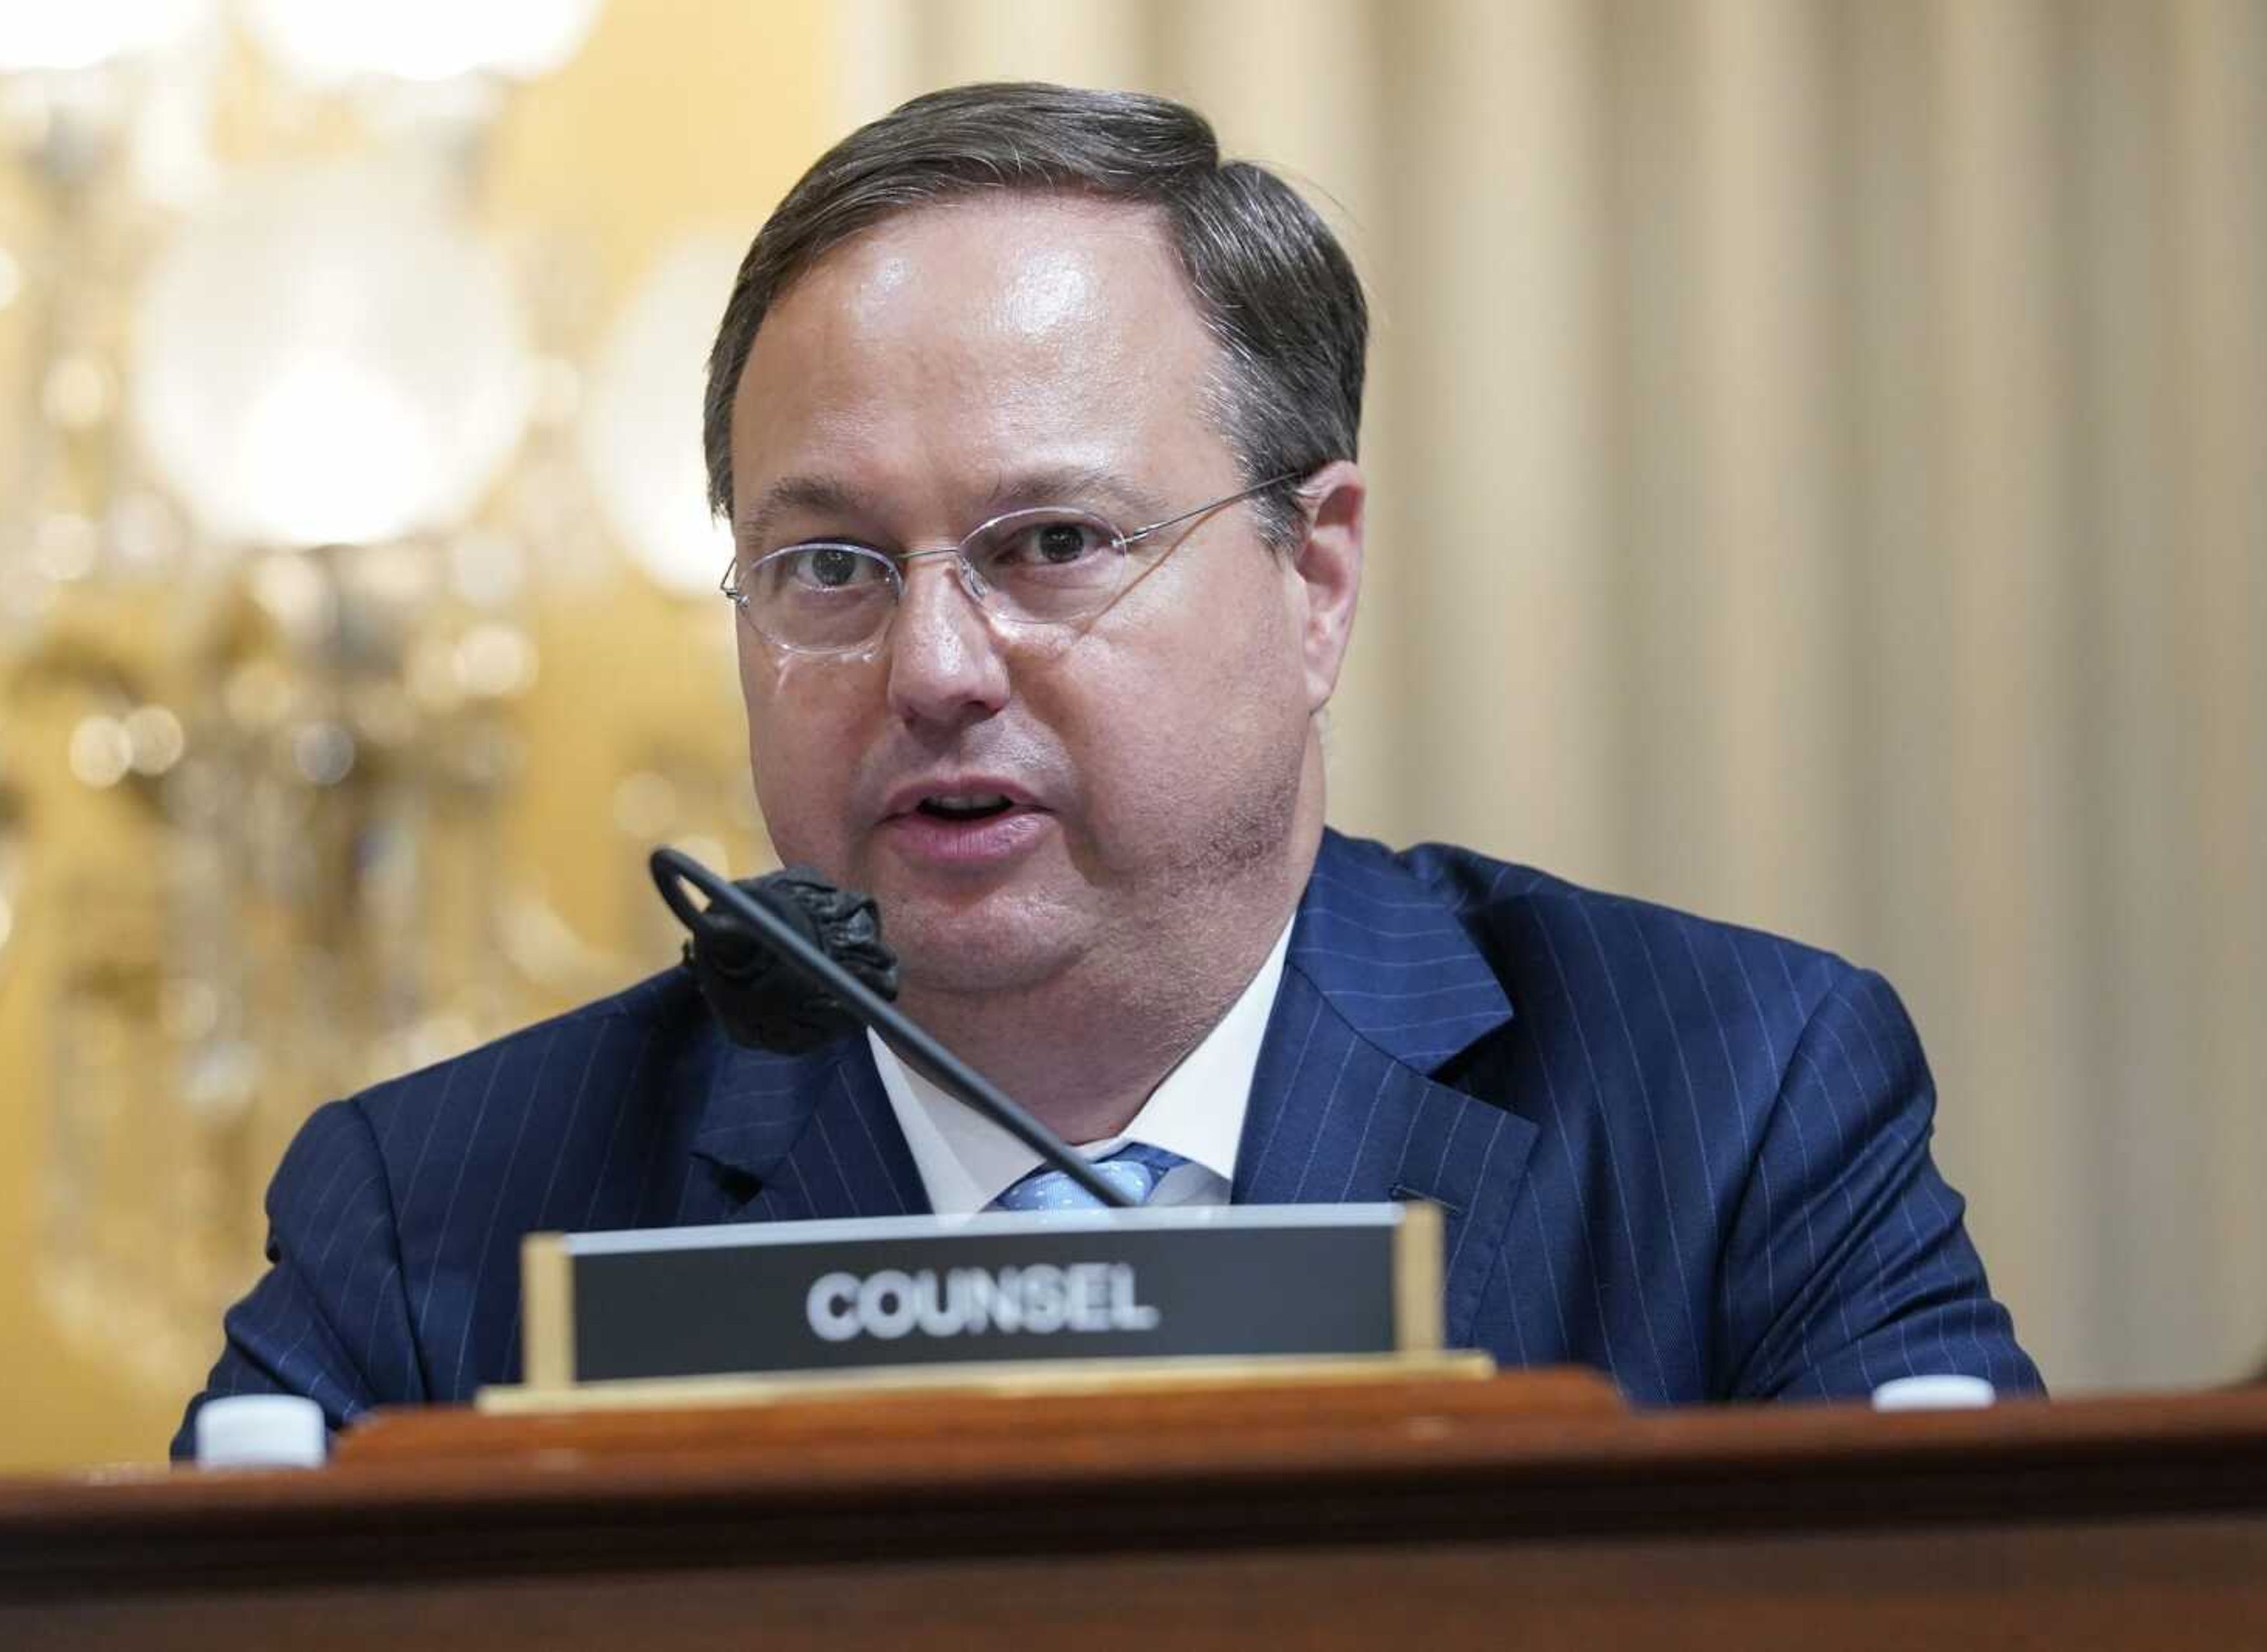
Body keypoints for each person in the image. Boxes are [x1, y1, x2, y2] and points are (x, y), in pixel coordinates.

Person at [174, 83, 2037, 1453]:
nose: (933, 669)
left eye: (1051, 544)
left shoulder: (1732, 1103)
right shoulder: (439, 1215)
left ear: (1313, 579)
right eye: (830, 566)